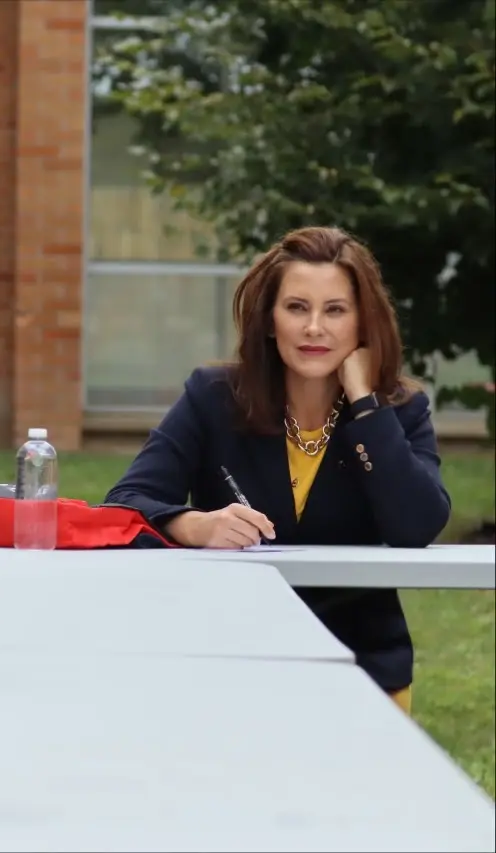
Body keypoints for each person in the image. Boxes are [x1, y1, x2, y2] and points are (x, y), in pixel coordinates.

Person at [105, 226, 451, 712]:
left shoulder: (399, 411)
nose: (314, 328)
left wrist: (366, 406)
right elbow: (122, 507)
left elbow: (417, 525)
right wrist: (195, 525)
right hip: (232, 666)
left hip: (363, 672)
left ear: (362, 324)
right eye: (296, 308)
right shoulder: (213, 398)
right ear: (270, 320)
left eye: (335, 310)